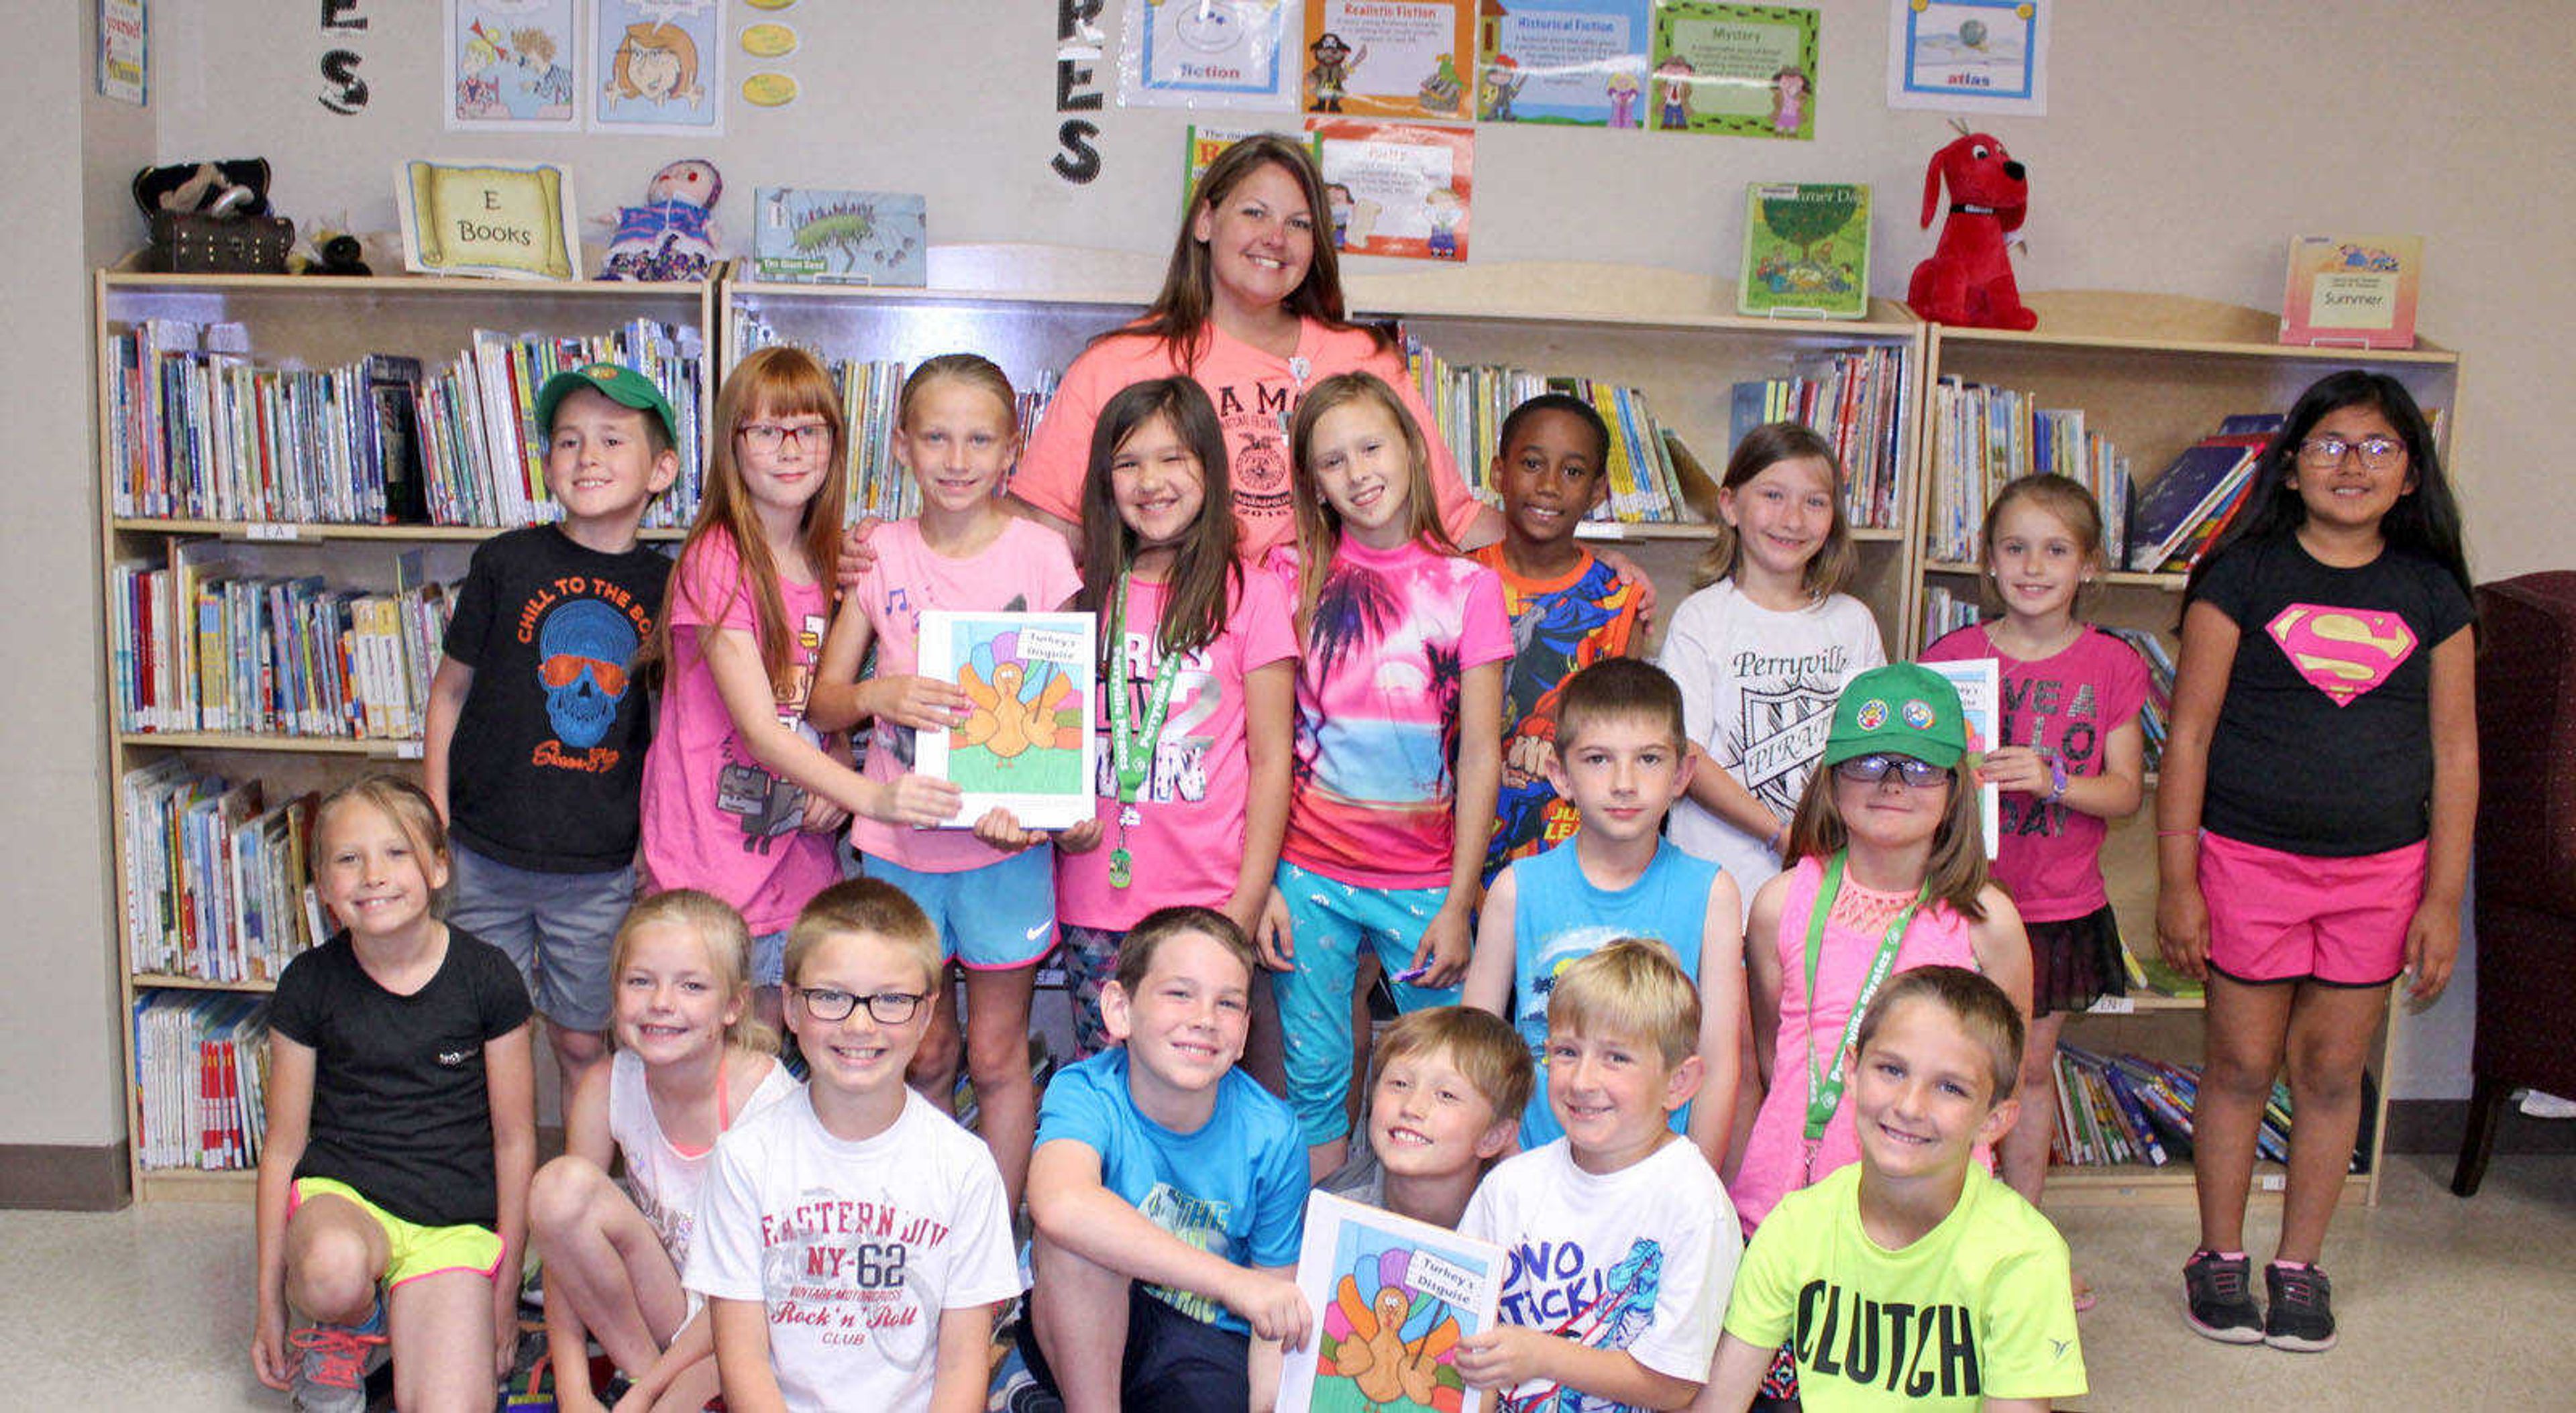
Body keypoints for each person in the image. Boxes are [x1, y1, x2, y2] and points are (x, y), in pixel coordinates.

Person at [2155, 370, 2475, 1353]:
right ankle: (2218, 1253)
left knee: (2335, 1069)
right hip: (2247, 860)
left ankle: (2299, 1262)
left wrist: (2442, 898)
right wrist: (2178, 881)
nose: (2353, 463)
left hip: (2382, 873)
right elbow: (2192, 735)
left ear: (2412, 475)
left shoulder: (2433, 594)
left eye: (2380, 446)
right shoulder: (2242, 577)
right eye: (2331, 442)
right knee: (2243, 1060)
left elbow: (2458, 749)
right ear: (2291, 466)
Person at [804, 353, 1080, 1210]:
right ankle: (924, 1214)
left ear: (1012, 449)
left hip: (1003, 849)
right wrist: (878, 694)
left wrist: (1036, 808)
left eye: (979, 438)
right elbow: (823, 702)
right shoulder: (881, 552)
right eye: (935, 436)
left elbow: (1065, 713)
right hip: (900, 844)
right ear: (900, 446)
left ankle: (992, 1238)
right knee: (922, 1049)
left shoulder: (1041, 555)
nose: (957, 459)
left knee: (997, 1056)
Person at [639, 345, 961, 1027]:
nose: (790, 449)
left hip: (801, 857)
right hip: (712, 860)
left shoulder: (828, 560)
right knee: (723, 1061)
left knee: (794, 1062)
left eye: (809, 430)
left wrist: (840, 760)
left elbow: (818, 699)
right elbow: (759, 725)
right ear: (732, 445)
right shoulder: (717, 556)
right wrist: (874, 797)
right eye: (766, 431)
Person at [1007, 132, 1495, 563]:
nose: (1276, 238)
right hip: (1175, 652)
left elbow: (1450, 520)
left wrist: (1565, 567)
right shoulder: (1115, 365)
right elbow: (1044, 537)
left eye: (1300, 224)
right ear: (1205, 221)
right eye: (1254, 213)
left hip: (1331, 649)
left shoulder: (1365, 360)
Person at [1269, 372, 1511, 1179]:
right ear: (1312, 481)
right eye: (1332, 460)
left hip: (1424, 884)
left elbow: (1480, 755)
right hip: (1308, 876)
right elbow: (1258, 740)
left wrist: (1459, 898)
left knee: (1449, 1083)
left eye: (1371, 446)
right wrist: (1264, 880)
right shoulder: (1288, 575)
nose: (1358, 472)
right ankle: (1307, 1273)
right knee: (1314, 1084)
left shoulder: (1470, 587)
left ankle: (1435, 1266)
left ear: (1410, 448)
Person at [423, 361, 678, 1107]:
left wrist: (648, 845)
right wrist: (434, 813)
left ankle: (580, 1195)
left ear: (661, 469)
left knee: (581, 1037)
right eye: (567, 442)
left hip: (596, 867)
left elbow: (665, 729)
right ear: (546, 464)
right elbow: (448, 694)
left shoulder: (669, 586)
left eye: (610, 440)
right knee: (477, 1031)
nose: (587, 458)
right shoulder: (505, 561)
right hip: (481, 850)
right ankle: (478, 1190)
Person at [1919, 474, 2147, 1296]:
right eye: (2014, 547)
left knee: (2025, 1073)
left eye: (2056, 549)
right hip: (1958, 901)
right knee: (1942, 1065)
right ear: (1987, 560)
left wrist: (2054, 781)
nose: (2032, 565)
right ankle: (1937, 1228)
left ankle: (2023, 1245)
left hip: (2056, 909)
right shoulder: (1950, 658)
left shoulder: (2113, 664)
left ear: (2089, 564)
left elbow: (2125, 791)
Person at [1028, 378, 1298, 1062]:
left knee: (1196, 1085)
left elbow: (1272, 763)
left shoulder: (1252, 593)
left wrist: (1248, 898)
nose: (1151, 481)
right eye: (1128, 463)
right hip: (1093, 898)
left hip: (1209, 900)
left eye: (1174, 458)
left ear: (1210, 466)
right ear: (1104, 481)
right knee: (1107, 1078)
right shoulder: (1075, 592)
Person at [249, 777, 535, 1413]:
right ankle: (344, 1322)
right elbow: (282, 1148)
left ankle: (402, 1316)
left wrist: (504, 1289)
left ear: (438, 866)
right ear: (323, 887)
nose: (373, 875)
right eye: (349, 859)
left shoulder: (489, 978)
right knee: (331, 1267)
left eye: (397, 852)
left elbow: (516, 1139)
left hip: (452, 1220)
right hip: (344, 1202)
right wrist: (269, 1302)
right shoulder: (307, 984)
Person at [684, 879, 1020, 1412]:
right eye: (831, 996)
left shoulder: (965, 1166)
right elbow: (742, 1358)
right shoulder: (745, 1158)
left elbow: (961, 1366)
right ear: (791, 1007)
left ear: (927, 1013)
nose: (859, 1023)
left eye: (891, 999)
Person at [1697, 966, 2088, 1412]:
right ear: (1852, 1071)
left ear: (1994, 1120)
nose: (1909, 1105)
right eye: (1891, 1069)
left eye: (1950, 1087)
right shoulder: (1795, 1225)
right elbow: (1720, 1401)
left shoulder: (2025, 1254)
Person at [1734, 663, 2035, 1233]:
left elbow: (2006, 1079)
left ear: (1955, 787)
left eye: (1920, 766)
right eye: (1868, 761)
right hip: (1787, 1204)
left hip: (1930, 1213)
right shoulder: (1779, 902)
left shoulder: (1988, 922)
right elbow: (1774, 1056)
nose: (1892, 782)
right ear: (1832, 778)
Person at [1021, 907, 1313, 1413]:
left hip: (1210, 1344)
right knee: (1076, 1244)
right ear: (1119, 1008)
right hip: (1082, 1325)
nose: (1203, 1018)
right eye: (1180, 993)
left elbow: (1274, 1305)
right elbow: (1060, 1204)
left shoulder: (1274, 1132)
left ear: (1244, 1033)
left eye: (1227, 1003)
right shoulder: (1085, 1090)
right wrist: (1231, 1281)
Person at [1466, 658, 1746, 1167]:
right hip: (1534, 1170)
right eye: (1598, 759)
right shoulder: (1515, 890)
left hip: (1657, 1180)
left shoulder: (1713, 895)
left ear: (1682, 773)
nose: (1624, 782)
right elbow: (1477, 1049)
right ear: (1560, 774)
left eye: (1649, 760)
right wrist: (1510, 1165)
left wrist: (1693, 1182)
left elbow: (1720, 1061)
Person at [526, 889, 796, 1413]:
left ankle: (658, 1392)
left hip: (758, 1319)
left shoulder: (766, 1098)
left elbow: (761, 1286)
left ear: (734, 1004)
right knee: (558, 1188)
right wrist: (574, 1388)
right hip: (671, 1312)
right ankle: (650, 1382)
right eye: (640, 980)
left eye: (691, 985)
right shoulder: (608, 1083)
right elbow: (561, 1255)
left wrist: (653, 1394)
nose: (661, 1002)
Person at [1454, 940, 1741, 1412]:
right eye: (1567, 1051)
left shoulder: (1694, 1203)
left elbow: (1673, 1384)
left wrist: (1544, 1355)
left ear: (1679, 1082)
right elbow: (1464, 1331)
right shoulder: (1510, 1185)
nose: (1583, 1080)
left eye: (1617, 1058)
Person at [1659, 421, 1886, 916]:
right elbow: (1686, 751)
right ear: (1729, 505)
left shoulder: (1854, 623)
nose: (1793, 518)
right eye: (1773, 495)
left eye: (1815, 502)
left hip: (1830, 884)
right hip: (1718, 889)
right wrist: (1777, 832)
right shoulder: (1702, 619)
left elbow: (1872, 743)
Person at [1471, 392, 1648, 880]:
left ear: (1597, 491)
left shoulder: (1618, 602)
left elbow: (1624, 738)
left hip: (1568, 855)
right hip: (1456, 850)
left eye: (1572, 472)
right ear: (1498, 473)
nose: (1548, 486)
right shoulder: (1456, 583)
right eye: (1532, 463)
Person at [1320, 1005, 1535, 1230]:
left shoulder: (1520, 1231)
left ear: (1493, 1137)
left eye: (1446, 1095)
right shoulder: (1334, 1208)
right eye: (1400, 1084)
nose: (1412, 1107)